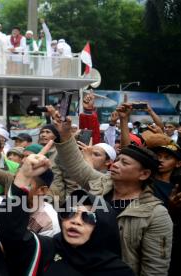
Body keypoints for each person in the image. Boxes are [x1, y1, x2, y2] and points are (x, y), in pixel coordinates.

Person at [50, 104, 173, 275]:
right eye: (118, 160)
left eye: (124, 163)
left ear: (144, 174)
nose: (115, 165)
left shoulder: (155, 214)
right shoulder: (101, 183)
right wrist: (64, 134)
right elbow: (75, 165)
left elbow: (155, 268)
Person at [0, 153, 134, 275]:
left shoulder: (118, 271)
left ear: (103, 227)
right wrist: (24, 176)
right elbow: (12, 232)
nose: (76, 221)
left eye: (88, 217)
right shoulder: (44, 249)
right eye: (70, 213)